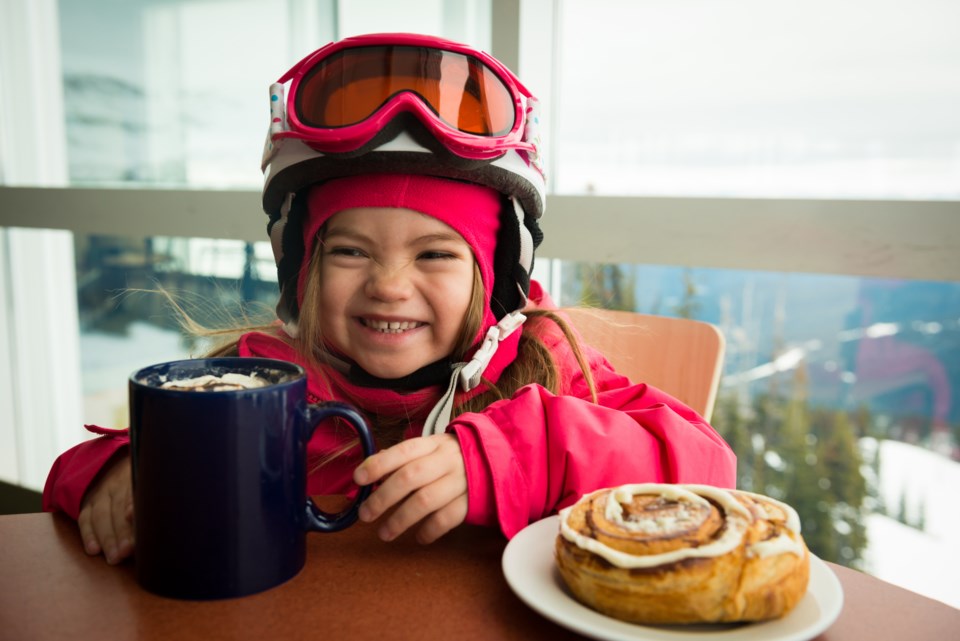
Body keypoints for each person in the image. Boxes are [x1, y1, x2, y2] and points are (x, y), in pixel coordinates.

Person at [43, 32, 736, 565]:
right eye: (349, 250)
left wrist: (510, 457)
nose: (389, 284)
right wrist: (115, 472)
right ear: (299, 267)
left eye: (435, 253)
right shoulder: (261, 379)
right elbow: (80, 468)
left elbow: (708, 466)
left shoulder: (542, 364)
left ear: (497, 276)